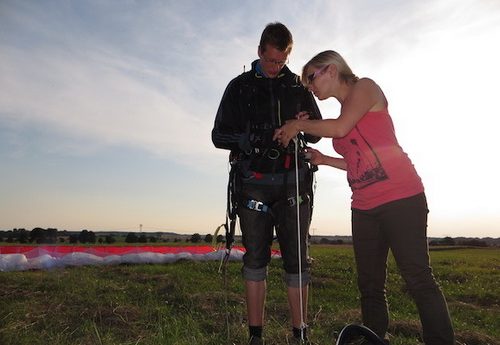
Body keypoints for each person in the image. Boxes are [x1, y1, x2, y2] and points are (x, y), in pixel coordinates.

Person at [274, 50, 455, 345]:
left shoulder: (366, 88)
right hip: (364, 207)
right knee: (370, 285)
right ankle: (374, 339)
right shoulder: (343, 114)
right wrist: (324, 158)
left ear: (331, 70)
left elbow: (340, 127)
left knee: (418, 278)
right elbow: (357, 161)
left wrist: (299, 125)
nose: (309, 86)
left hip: (402, 199)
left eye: (311, 77)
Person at [212, 23, 322, 345]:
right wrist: (249, 139)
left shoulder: (298, 86)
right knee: (255, 258)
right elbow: (218, 135)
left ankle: (299, 333)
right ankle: (255, 336)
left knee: (296, 258)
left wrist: (302, 123)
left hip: (293, 183)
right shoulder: (239, 87)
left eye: (283, 61)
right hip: (253, 184)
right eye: (272, 60)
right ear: (260, 51)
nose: (277, 68)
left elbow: (317, 132)